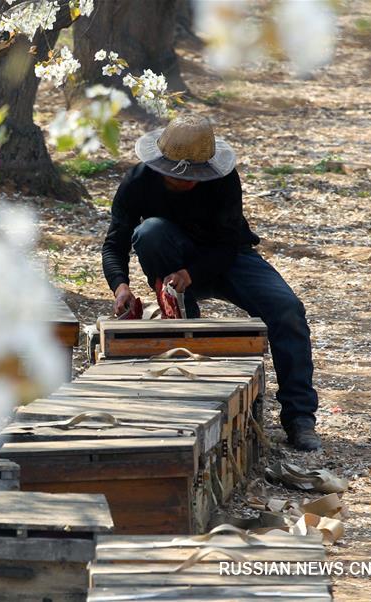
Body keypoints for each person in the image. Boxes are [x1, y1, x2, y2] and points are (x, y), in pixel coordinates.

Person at [101, 113, 321, 451]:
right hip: (172, 260)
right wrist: (120, 286)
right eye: (177, 177)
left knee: (287, 310)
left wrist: (193, 274)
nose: (188, 182)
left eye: (195, 176)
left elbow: (229, 243)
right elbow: (115, 242)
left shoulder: (224, 181)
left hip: (228, 258)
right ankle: (185, 362)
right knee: (150, 232)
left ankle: (300, 417)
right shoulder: (137, 182)